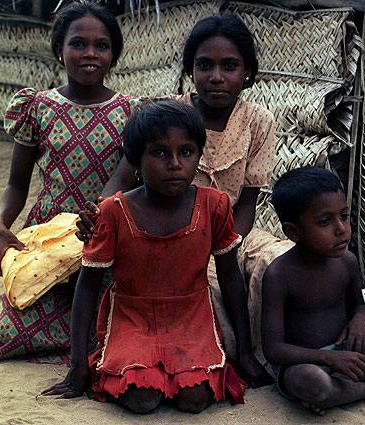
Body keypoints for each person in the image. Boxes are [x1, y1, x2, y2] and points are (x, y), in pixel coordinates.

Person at [76, 14, 284, 378]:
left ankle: (280, 355)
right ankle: (214, 358)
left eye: (230, 66)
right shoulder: (167, 114)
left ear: (247, 73)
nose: (216, 77)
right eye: (205, 66)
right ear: (190, 70)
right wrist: (98, 214)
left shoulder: (259, 122)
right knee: (204, 286)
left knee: (278, 265)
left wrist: (223, 245)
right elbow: (122, 178)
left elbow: (247, 204)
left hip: (235, 228)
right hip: (167, 231)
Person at [42, 98, 263, 413]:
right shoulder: (114, 212)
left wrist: (243, 352)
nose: (175, 164)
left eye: (186, 152)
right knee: (142, 399)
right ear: (135, 159)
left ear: (199, 156)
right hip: (133, 317)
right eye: (159, 153)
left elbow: (229, 277)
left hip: (191, 316)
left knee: (194, 399)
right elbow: (88, 287)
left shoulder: (214, 206)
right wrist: (78, 365)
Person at [0, 0, 144, 363]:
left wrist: (101, 216)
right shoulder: (37, 107)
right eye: (78, 44)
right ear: (60, 51)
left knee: (111, 326)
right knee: (13, 333)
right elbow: (16, 183)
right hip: (48, 241)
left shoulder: (133, 113)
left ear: (114, 55)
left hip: (107, 234)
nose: (90, 53)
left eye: (101, 46)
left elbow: (130, 178)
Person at [261, 167, 365, 415]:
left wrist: (361, 319)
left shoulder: (347, 262)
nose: (341, 228)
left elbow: (357, 305)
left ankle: (339, 390)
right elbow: (274, 350)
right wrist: (329, 360)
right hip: (307, 363)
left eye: (344, 216)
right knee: (312, 383)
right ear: (293, 232)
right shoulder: (279, 275)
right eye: (325, 222)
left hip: (349, 354)